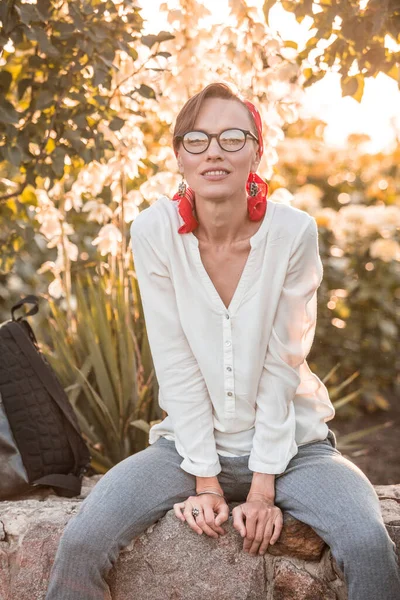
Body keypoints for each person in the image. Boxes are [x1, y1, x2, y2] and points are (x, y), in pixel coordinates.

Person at [45, 82, 400, 600]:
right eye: (198, 139)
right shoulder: (153, 232)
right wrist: (206, 482)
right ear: (179, 156)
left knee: (367, 540)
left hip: (294, 448)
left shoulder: (293, 233)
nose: (214, 150)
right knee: (82, 540)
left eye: (233, 138)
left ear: (257, 150)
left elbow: (283, 363)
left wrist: (262, 488)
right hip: (184, 448)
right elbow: (175, 360)